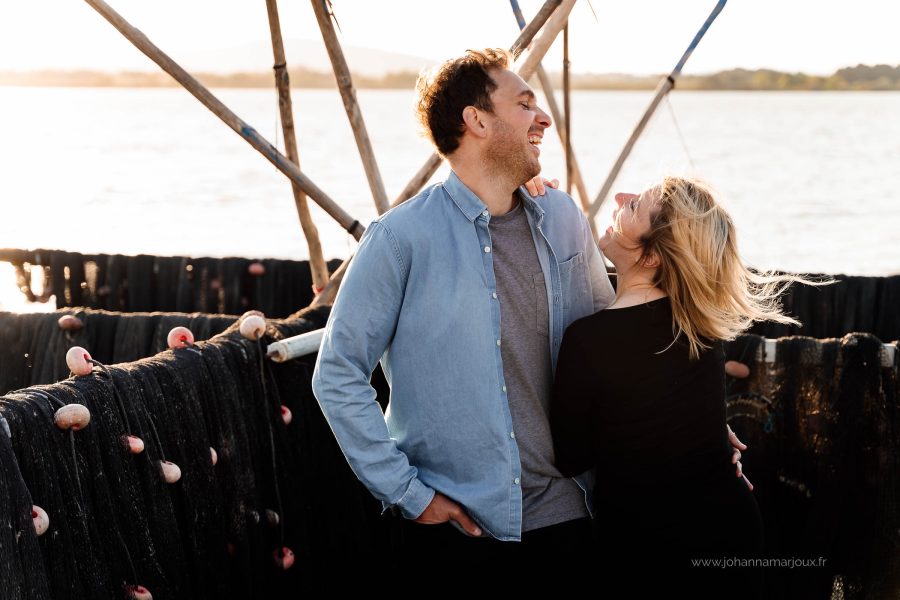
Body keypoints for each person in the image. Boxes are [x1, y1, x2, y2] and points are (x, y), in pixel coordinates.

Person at [312, 48, 745, 563]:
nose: (543, 118)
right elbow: (337, 374)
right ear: (476, 120)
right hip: (459, 527)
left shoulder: (563, 216)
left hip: (572, 517)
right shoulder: (399, 239)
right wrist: (408, 493)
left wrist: (696, 425)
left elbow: (622, 347)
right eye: (524, 104)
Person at [549, 176, 805, 593]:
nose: (619, 198)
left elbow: (570, 458)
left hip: (648, 550)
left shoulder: (588, 340)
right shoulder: (701, 327)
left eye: (633, 208)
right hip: (733, 529)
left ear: (651, 256)